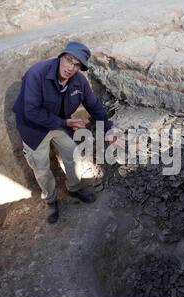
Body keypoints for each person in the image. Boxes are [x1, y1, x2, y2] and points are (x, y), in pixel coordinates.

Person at [12, 41, 113, 224]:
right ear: (61, 57)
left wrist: (108, 128)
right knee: (41, 168)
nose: (70, 67)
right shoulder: (37, 73)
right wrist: (64, 121)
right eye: (68, 60)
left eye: (76, 65)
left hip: (59, 124)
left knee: (72, 154)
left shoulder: (79, 81)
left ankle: (74, 188)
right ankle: (51, 200)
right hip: (33, 128)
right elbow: (31, 110)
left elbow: (93, 105)